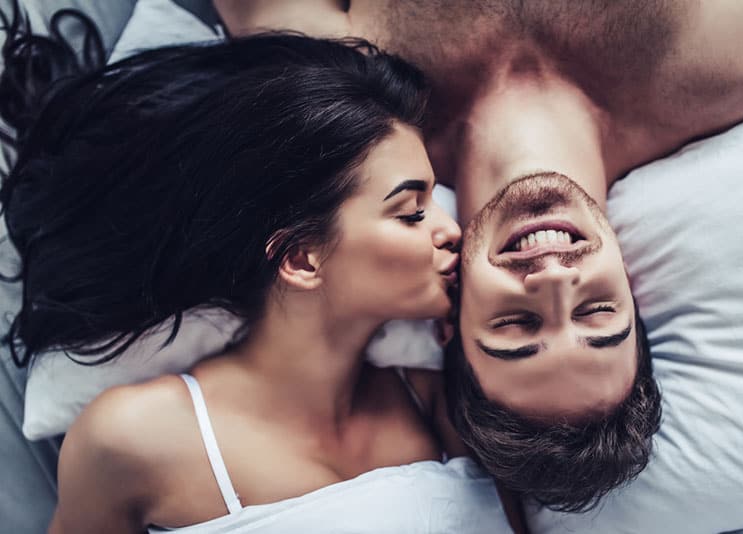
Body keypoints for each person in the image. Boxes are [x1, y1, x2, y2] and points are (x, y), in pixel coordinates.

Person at [213, 0, 743, 512]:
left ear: (449, 322)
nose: (553, 282)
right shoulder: (734, 64)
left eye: (516, 323)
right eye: (598, 313)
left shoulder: (347, 95)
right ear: (631, 286)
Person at [0, 8, 521, 533]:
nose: (452, 228)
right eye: (412, 212)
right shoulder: (133, 437)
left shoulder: (442, 402)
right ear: (300, 258)